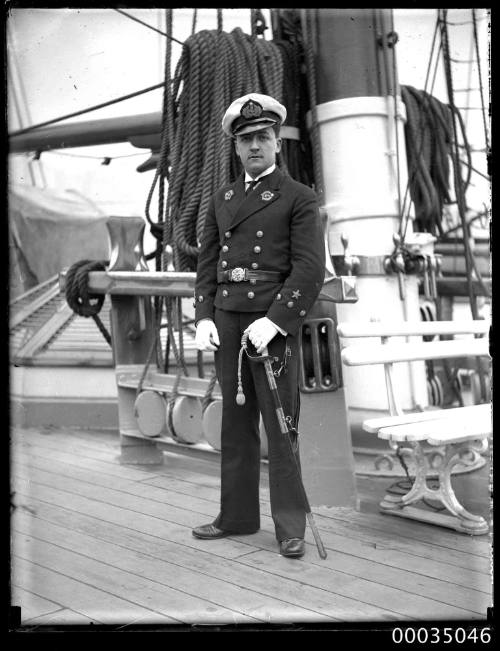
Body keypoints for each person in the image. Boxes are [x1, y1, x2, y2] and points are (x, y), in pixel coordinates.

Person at [192, 93, 325, 558]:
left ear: (277, 144)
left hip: (270, 323)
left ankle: (290, 527)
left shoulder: (299, 198)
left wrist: (276, 321)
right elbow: (208, 263)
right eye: (245, 139)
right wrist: (204, 314)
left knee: (281, 424)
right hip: (229, 322)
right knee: (236, 421)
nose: (254, 146)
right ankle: (237, 517)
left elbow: (309, 269)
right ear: (235, 147)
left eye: (262, 137)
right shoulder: (222, 198)